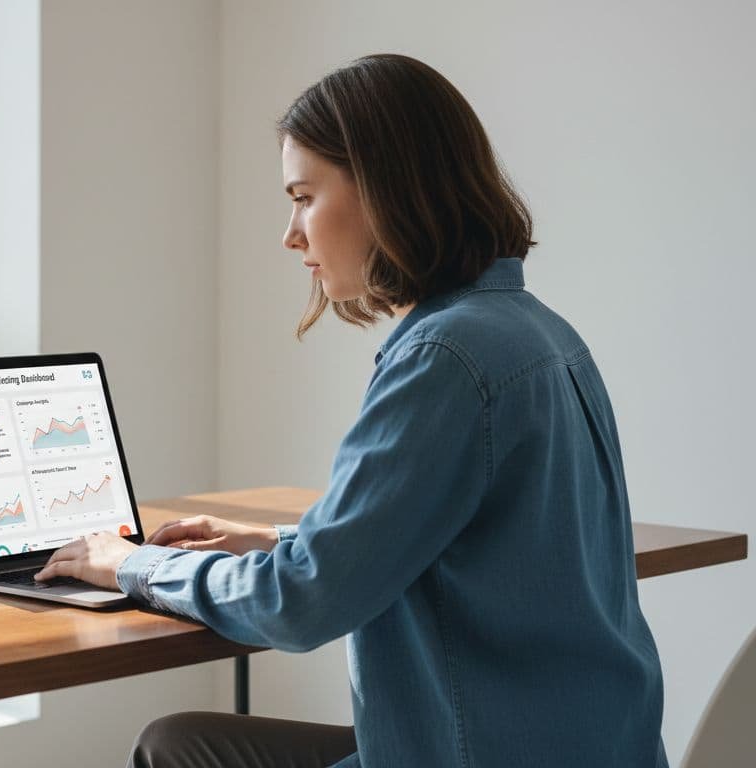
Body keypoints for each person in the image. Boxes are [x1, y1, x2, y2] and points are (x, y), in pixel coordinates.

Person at [34, 53, 667, 768]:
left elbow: (299, 606)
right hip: (590, 748)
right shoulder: (540, 332)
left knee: (178, 752)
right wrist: (276, 542)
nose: (291, 234)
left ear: (387, 189)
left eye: (304, 196)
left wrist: (132, 564)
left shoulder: (445, 356)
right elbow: (466, 539)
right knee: (181, 745)